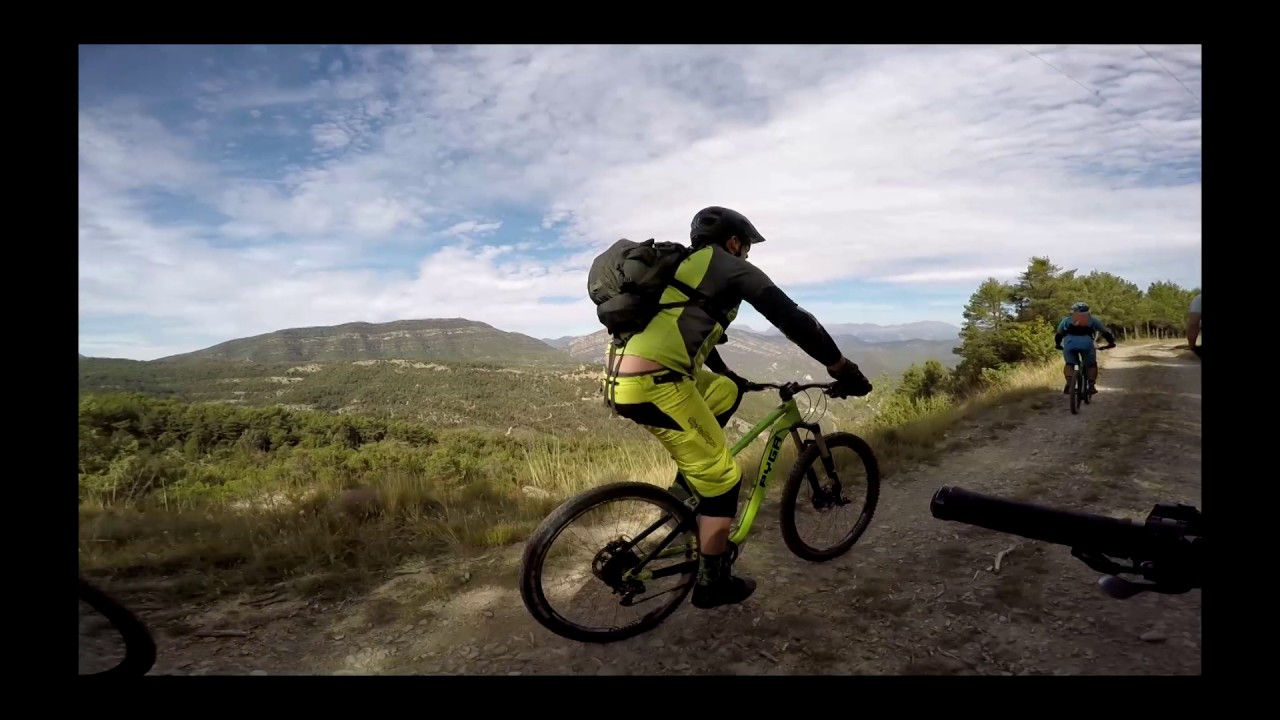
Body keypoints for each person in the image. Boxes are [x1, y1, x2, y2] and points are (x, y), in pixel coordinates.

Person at [603, 206, 874, 610]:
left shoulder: (682, 269)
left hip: (623, 378)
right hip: (657, 384)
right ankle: (713, 581)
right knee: (726, 481)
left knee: (725, 391)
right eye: (746, 247)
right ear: (734, 242)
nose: (747, 255)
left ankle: (690, 490)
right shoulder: (728, 265)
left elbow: (690, 332)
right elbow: (793, 318)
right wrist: (842, 368)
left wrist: (730, 373)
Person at [1054, 302, 1117, 395]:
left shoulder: (1066, 320)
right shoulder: (1092, 320)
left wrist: (1058, 345)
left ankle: (1069, 382)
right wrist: (1111, 343)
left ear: (1073, 311)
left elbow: (1059, 334)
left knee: (1070, 364)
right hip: (1087, 344)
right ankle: (1091, 385)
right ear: (1088, 311)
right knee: (1091, 364)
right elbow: (1105, 332)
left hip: (1069, 344)